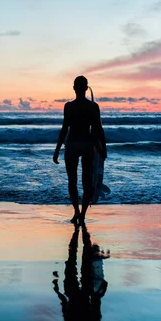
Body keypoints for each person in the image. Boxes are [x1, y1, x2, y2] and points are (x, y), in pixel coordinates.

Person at [53, 76, 107, 226]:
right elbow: (98, 129)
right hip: (87, 144)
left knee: (72, 181)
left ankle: (76, 211)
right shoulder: (93, 107)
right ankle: (82, 214)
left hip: (72, 145)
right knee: (87, 181)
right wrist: (104, 148)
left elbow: (64, 129)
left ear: (74, 88)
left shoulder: (69, 106)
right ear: (86, 88)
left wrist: (57, 150)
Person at [52, 226, 109, 321]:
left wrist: (57, 288)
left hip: (75, 292)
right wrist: (102, 288)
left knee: (73, 258)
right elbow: (96, 301)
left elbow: (64, 304)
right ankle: (81, 228)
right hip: (82, 292)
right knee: (77, 259)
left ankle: (78, 229)